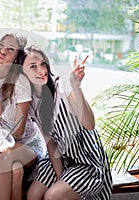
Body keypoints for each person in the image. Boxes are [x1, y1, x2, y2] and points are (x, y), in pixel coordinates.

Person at [22, 45, 112, 200]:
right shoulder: (31, 101)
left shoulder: (63, 89)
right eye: (33, 66)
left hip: (86, 161)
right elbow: (50, 142)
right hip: (60, 159)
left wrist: (76, 87)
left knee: (52, 195)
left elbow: (90, 124)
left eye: (43, 64)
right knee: (33, 195)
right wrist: (60, 176)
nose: (41, 70)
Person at [0, 33, 44, 200]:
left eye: (10, 49)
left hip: (27, 147)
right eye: (1, 45)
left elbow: (19, 133)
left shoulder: (20, 82)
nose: (3, 51)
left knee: (3, 157)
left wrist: (0, 114)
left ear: (17, 57)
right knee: (15, 169)